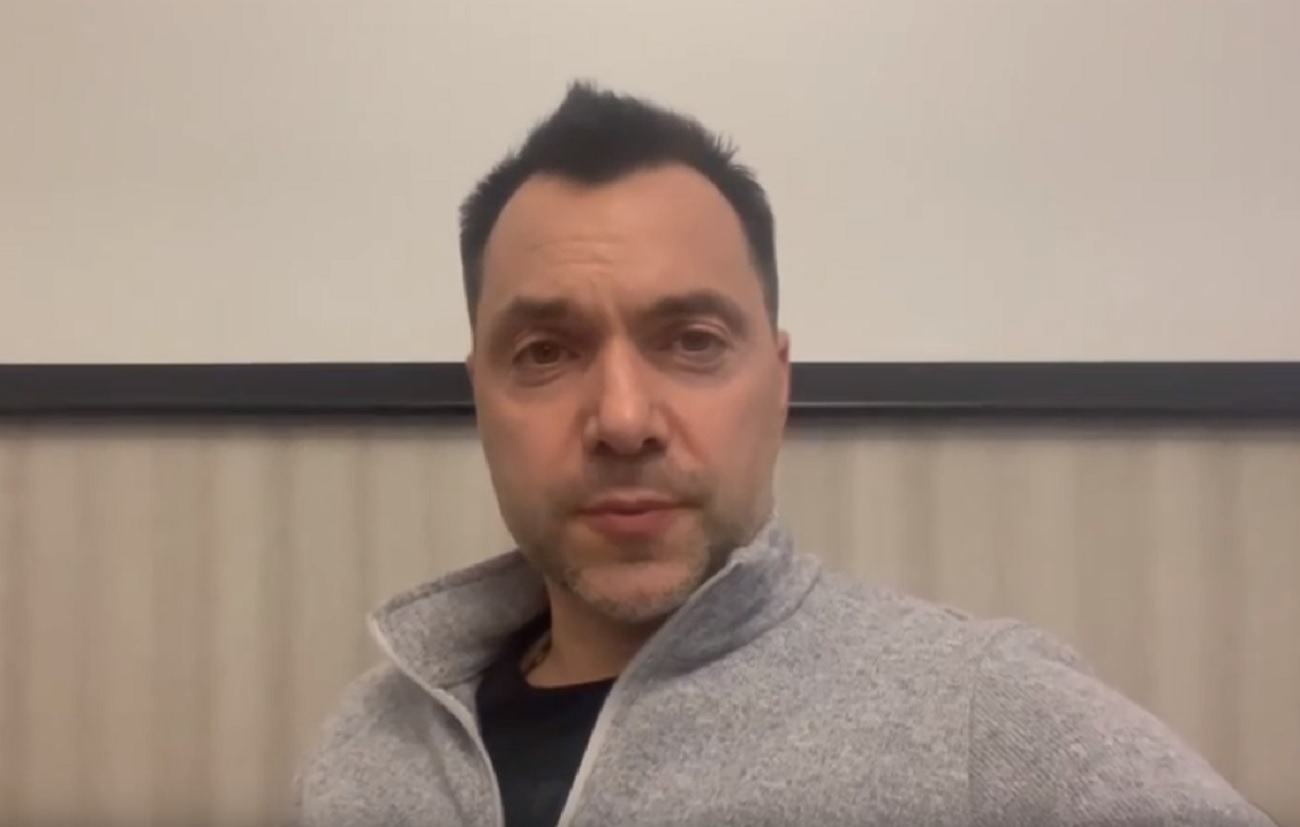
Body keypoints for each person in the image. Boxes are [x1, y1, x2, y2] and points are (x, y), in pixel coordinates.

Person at [287, 82, 1276, 827]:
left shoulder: (984, 716)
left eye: (692, 342)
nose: (623, 418)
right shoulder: (368, 748)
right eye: (545, 352)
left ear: (779, 382)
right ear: (481, 396)